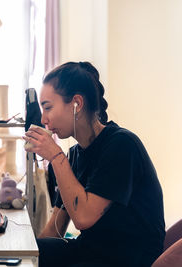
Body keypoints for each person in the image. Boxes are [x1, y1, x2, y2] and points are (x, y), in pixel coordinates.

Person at [24, 62, 165, 266]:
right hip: (91, 252)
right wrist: (24, 249)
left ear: (76, 104)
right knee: (26, 257)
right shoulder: (74, 155)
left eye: (48, 107)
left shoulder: (121, 145)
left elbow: (83, 217)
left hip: (126, 259)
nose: (44, 119)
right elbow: (55, 229)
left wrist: (56, 157)